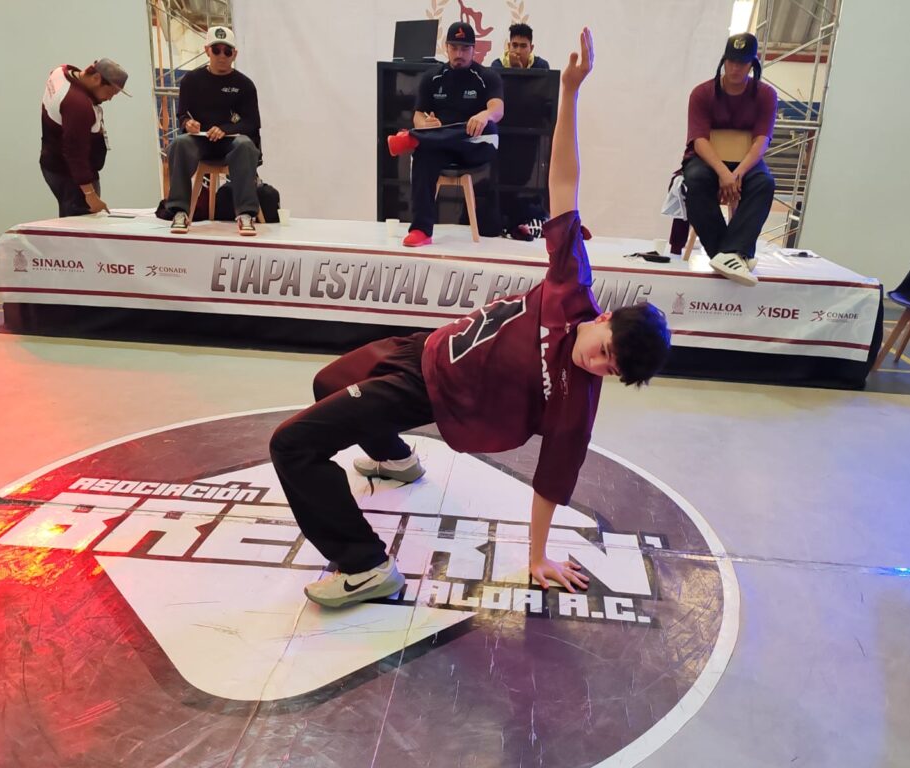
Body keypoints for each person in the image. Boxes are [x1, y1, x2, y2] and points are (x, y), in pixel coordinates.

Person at [270, 28, 672, 610]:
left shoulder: (575, 401)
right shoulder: (571, 286)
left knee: (292, 445)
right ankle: (397, 461)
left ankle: (365, 566)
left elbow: (551, 482)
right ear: (604, 317)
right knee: (326, 382)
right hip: (425, 346)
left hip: (431, 390)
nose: (599, 364)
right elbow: (565, 183)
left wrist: (538, 557)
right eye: (607, 349)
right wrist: (570, 92)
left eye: (611, 371)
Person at [387, 22, 505, 247]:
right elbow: (418, 115)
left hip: (475, 146)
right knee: (423, 153)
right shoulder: (432, 77)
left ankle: (413, 138)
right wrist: (425, 125)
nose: (459, 54)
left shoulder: (487, 76)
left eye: (465, 48)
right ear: (446, 48)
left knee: (489, 128)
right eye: (454, 48)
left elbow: (498, 109)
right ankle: (421, 230)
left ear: (474, 49)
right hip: (441, 148)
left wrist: (484, 115)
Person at [682, 32, 777, 287]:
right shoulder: (702, 93)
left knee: (764, 183)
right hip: (708, 160)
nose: (735, 68)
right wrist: (724, 173)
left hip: (745, 161)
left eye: (742, 63)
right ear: (724, 60)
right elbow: (699, 140)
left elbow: (762, 140)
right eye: (731, 61)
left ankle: (731, 253)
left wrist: (738, 173)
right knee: (696, 180)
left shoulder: (765, 94)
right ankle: (729, 254)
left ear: (752, 64)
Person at [165, 26, 262, 236]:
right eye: (216, 50)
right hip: (200, 141)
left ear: (235, 54)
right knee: (179, 143)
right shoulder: (191, 80)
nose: (222, 56)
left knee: (245, 145)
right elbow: (182, 115)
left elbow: (252, 122)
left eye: (227, 51)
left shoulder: (244, 85)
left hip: (231, 143)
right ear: (207, 50)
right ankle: (180, 211)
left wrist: (225, 129)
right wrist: (188, 124)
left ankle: (246, 214)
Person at [40, 59, 130, 217]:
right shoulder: (77, 104)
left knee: (71, 216)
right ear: (96, 78)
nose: (110, 98)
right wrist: (90, 194)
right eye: (110, 93)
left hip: (54, 163)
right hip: (70, 175)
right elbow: (75, 154)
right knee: (80, 223)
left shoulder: (61, 72)